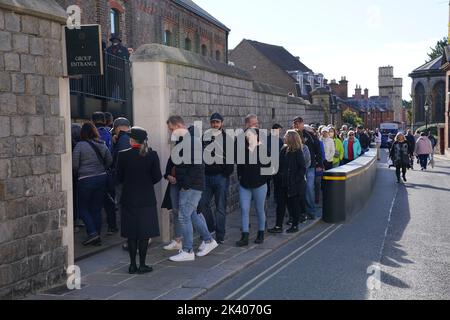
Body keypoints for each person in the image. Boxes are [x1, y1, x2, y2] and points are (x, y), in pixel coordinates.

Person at [166, 116, 218, 262]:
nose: (170, 132)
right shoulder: (186, 140)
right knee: (192, 214)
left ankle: (188, 250)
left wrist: (185, 185)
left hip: (191, 186)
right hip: (192, 185)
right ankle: (208, 241)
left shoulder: (191, 140)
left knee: (184, 216)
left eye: (171, 129)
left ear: (178, 126)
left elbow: (197, 166)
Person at [116, 127, 162, 274]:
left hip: (129, 198)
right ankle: (142, 265)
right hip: (146, 199)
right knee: (144, 234)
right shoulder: (152, 155)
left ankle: (132, 265)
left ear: (132, 140)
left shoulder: (123, 155)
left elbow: (118, 178)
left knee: (131, 234)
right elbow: (157, 177)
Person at [72, 122, 112, 246]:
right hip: (101, 178)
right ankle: (97, 235)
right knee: (96, 208)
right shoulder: (102, 144)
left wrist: (78, 174)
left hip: (85, 179)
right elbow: (109, 160)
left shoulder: (80, 145)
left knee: (82, 208)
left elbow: (74, 165)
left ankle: (93, 233)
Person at [198, 113, 234, 244]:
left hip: (220, 178)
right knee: (202, 204)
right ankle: (211, 228)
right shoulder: (205, 137)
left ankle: (220, 235)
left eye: (217, 122)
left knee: (220, 207)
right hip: (206, 177)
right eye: (213, 122)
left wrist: (225, 173)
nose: (215, 124)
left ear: (221, 123)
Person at [236, 120, 270, 247]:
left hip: (259, 184)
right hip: (245, 184)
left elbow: (269, 167)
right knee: (244, 210)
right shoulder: (242, 150)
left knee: (259, 209)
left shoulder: (263, 149)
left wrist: (263, 180)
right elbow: (239, 165)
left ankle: (260, 233)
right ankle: (245, 235)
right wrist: (240, 177)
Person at [268, 130, 307, 234]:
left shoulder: (298, 152)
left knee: (293, 205)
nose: (284, 137)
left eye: (285, 136)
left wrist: (294, 180)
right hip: (282, 183)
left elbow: (302, 169)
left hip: (293, 185)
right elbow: (278, 165)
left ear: (291, 138)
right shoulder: (284, 149)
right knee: (280, 205)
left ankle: (295, 225)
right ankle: (278, 226)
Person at [293, 117, 322, 220]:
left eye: (298, 123)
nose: (296, 125)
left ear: (302, 123)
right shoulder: (292, 135)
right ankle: (302, 211)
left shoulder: (309, 134)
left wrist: (319, 165)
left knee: (309, 188)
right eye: (294, 123)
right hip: (297, 167)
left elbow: (317, 149)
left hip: (310, 166)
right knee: (299, 190)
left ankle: (311, 211)